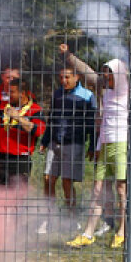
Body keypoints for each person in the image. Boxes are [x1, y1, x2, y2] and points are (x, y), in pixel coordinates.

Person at [66, 54, 129, 249]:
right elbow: (88, 73)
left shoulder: (127, 91)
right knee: (98, 190)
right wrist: (69, 57)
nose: (105, 77)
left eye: (109, 74)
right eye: (105, 73)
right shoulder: (105, 92)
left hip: (121, 143)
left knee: (121, 189)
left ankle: (123, 231)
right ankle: (88, 233)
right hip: (105, 144)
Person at [37, 65, 98, 233]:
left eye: (67, 77)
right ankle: (49, 219)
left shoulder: (87, 96)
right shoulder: (57, 94)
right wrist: (46, 139)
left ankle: (72, 218)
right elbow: (52, 117)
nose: (63, 81)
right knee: (48, 179)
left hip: (74, 143)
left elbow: (92, 124)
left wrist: (93, 145)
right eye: (61, 77)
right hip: (55, 142)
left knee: (67, 181)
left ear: (76, 77)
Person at [0, 79, 45, 187]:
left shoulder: (35, 110)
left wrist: (18, 118)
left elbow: (38, 130)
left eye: (11, 92)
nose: (8, 94)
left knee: (16, 196)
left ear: (22, 93)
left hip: (19, 160)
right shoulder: (2, 106)